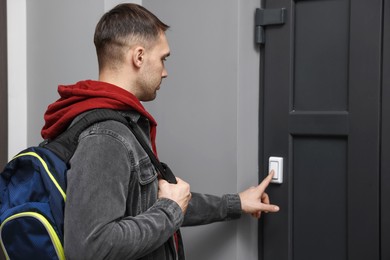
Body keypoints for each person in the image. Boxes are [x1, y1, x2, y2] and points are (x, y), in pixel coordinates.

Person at [41, 3, 279, 260]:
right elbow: (91, 248)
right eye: (163, 59)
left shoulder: (120, 122)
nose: (165, 72)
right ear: (139, 57)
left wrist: (236, 203)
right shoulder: (105, 137)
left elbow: (151, 202)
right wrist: (169, 209)